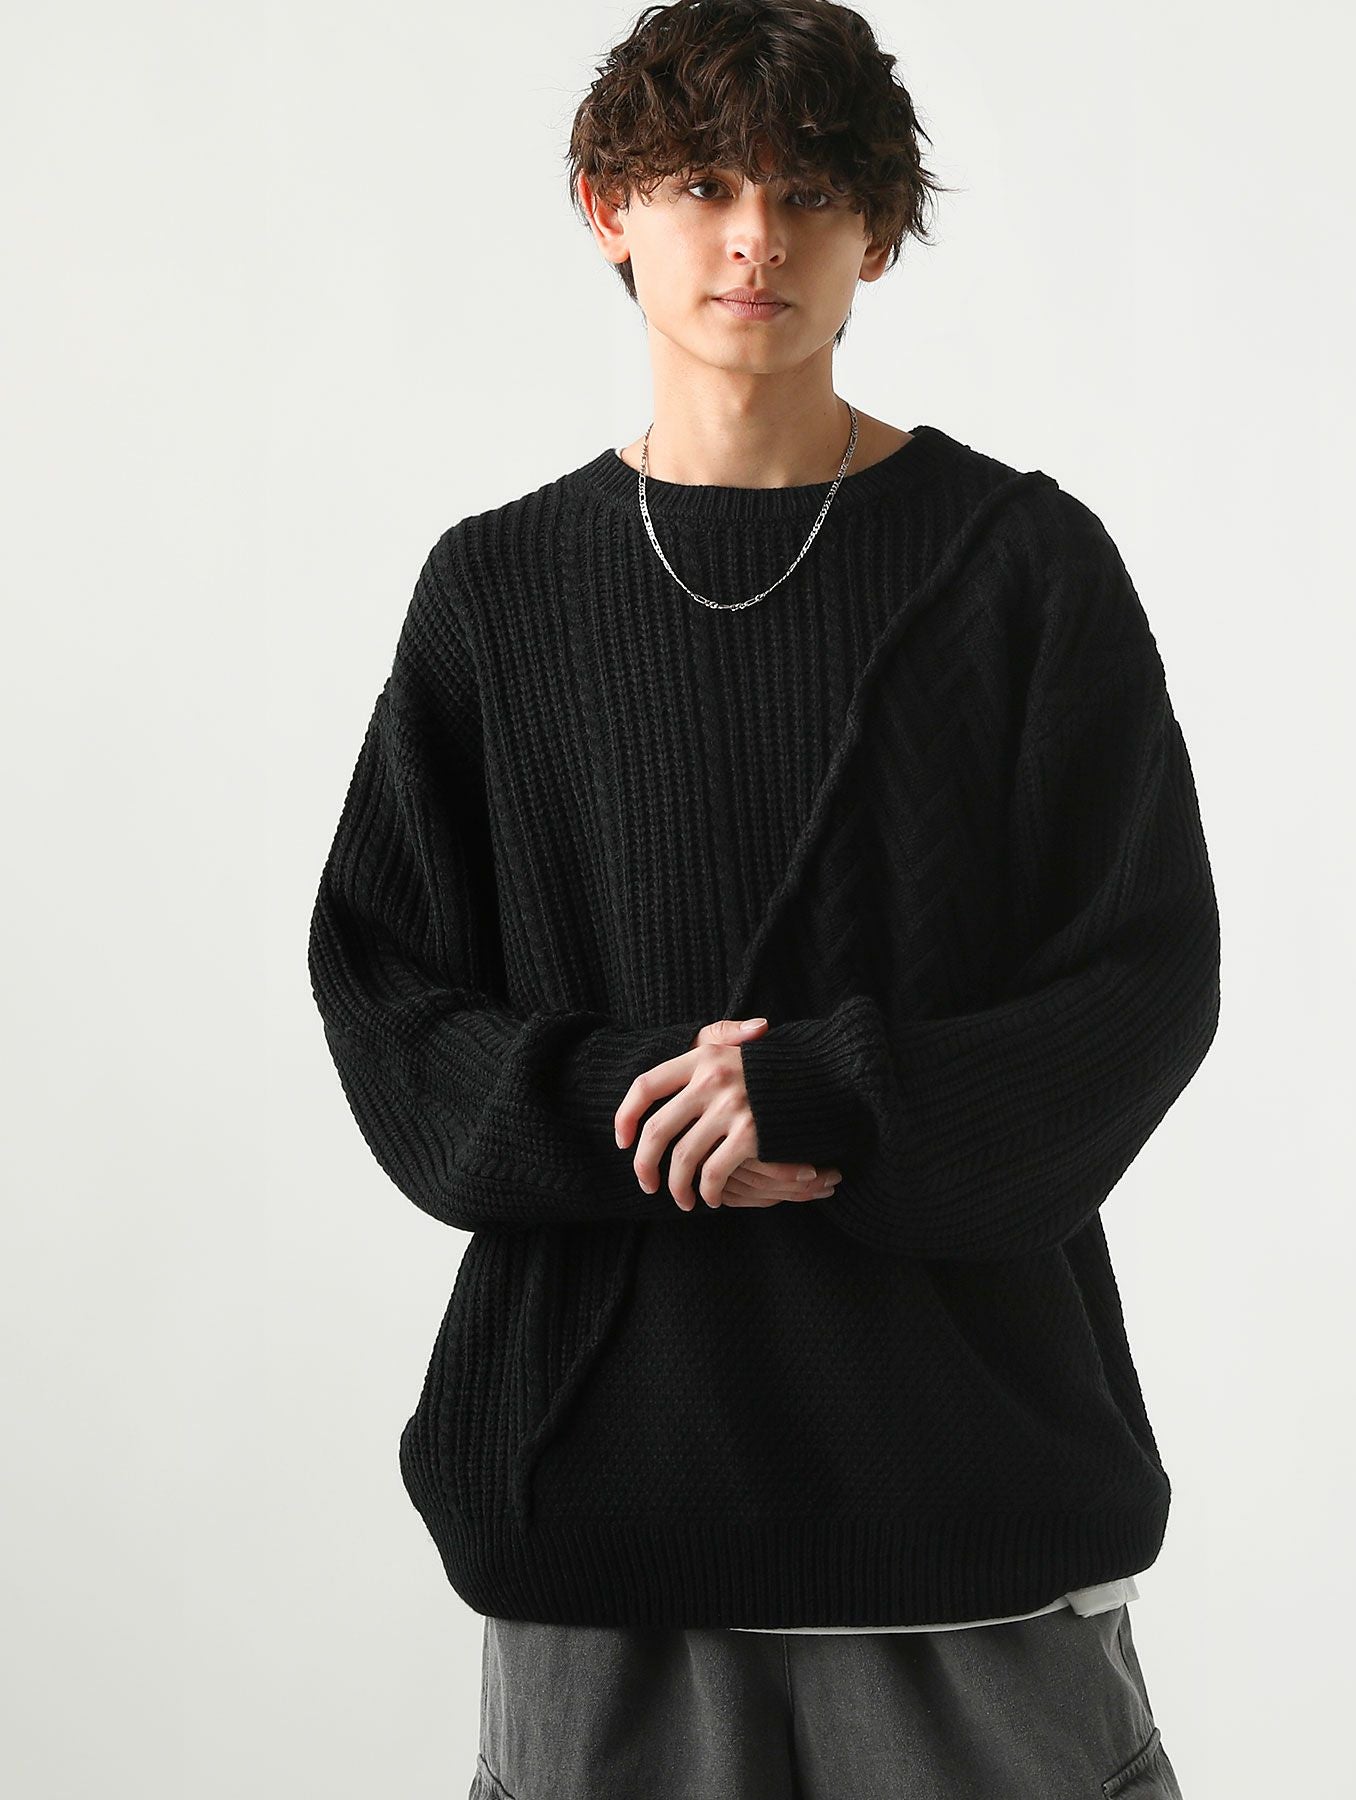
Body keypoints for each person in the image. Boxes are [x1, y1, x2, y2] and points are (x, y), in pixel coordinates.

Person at [307, 2, 1219, 1793]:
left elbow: (1143, 985)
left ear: (877, 234)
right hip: (600, 1519)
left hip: (967, 1514)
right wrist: (644, 1106)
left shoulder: (1023, 569)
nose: (755, 238)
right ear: (608, 209)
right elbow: (385, 990)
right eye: (704, 184)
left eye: (810, 194)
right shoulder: (499, 591)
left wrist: (833, 1093)